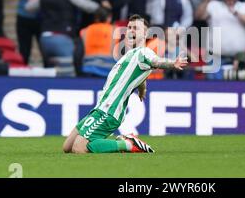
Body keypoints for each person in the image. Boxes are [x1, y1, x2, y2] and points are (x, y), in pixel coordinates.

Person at [62, 14, 188, 154]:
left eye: (136, 28)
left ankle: (128, 144)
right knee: (67, 147)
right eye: (129, 27)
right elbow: (140, 72)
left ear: (145, 33)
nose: (131, 30)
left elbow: (156, 62)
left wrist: (172, 64)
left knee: (79, 149)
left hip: (109, 111)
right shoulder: (129, 55)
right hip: (100, 108)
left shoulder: (144, 52)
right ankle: (120, 143)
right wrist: (142, 88)